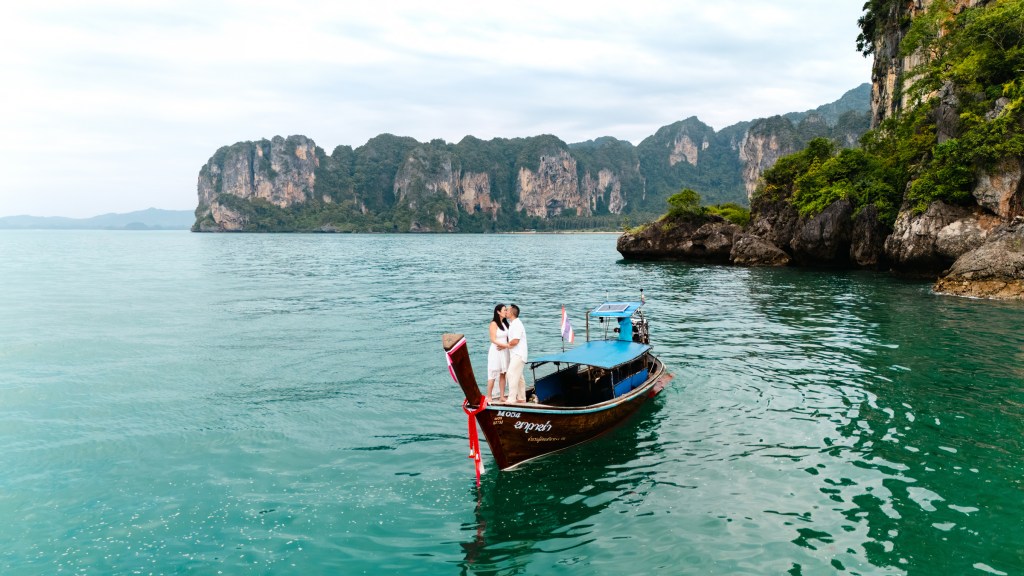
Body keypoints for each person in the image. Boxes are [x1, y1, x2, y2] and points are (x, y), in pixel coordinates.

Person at [504, 304, 529, 403]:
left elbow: (515, 341)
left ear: (512, 313)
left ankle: (511, 398)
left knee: (511, 374)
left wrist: (504, 345)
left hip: (518, 354)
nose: (506, 312)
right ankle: (522, 398)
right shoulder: (513, 324)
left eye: (507, 310)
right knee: (519, 377)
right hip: (516, 353)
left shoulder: (517, 324)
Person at [486, 304, 510, 402]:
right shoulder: (493, 323)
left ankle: (502, 396)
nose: (506, 312)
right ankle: (489, 396)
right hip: (496, 351)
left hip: (504, 350)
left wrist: (506, 345)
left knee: (503, 373)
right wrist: (503, 345)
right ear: (498, 312)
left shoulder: (505, 323)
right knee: (493, 373)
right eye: (504, 310)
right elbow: (492, 339)